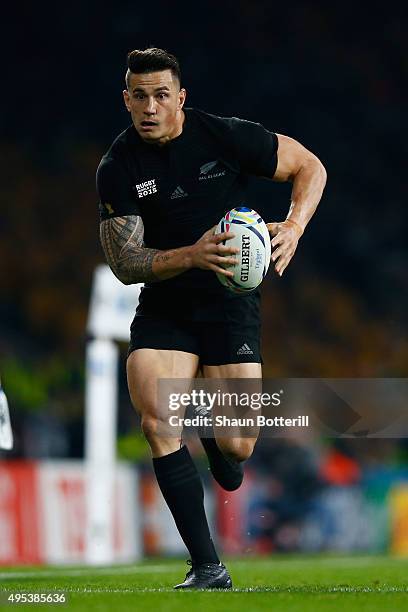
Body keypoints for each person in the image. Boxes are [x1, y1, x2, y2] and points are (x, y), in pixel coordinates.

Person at [96, 47, 326, 589]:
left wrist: (293, 227)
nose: (149, 106)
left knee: (238, 444)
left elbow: (309, 166)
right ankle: (207, 566)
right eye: (139, 96)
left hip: (229, 302)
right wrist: (190, 256)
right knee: (158, 422)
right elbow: (126, 263)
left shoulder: (224, 136)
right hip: (167, 305)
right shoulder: (118, 166)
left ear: (180, 97)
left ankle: (218, 441)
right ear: (125, 101)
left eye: (160, 95)